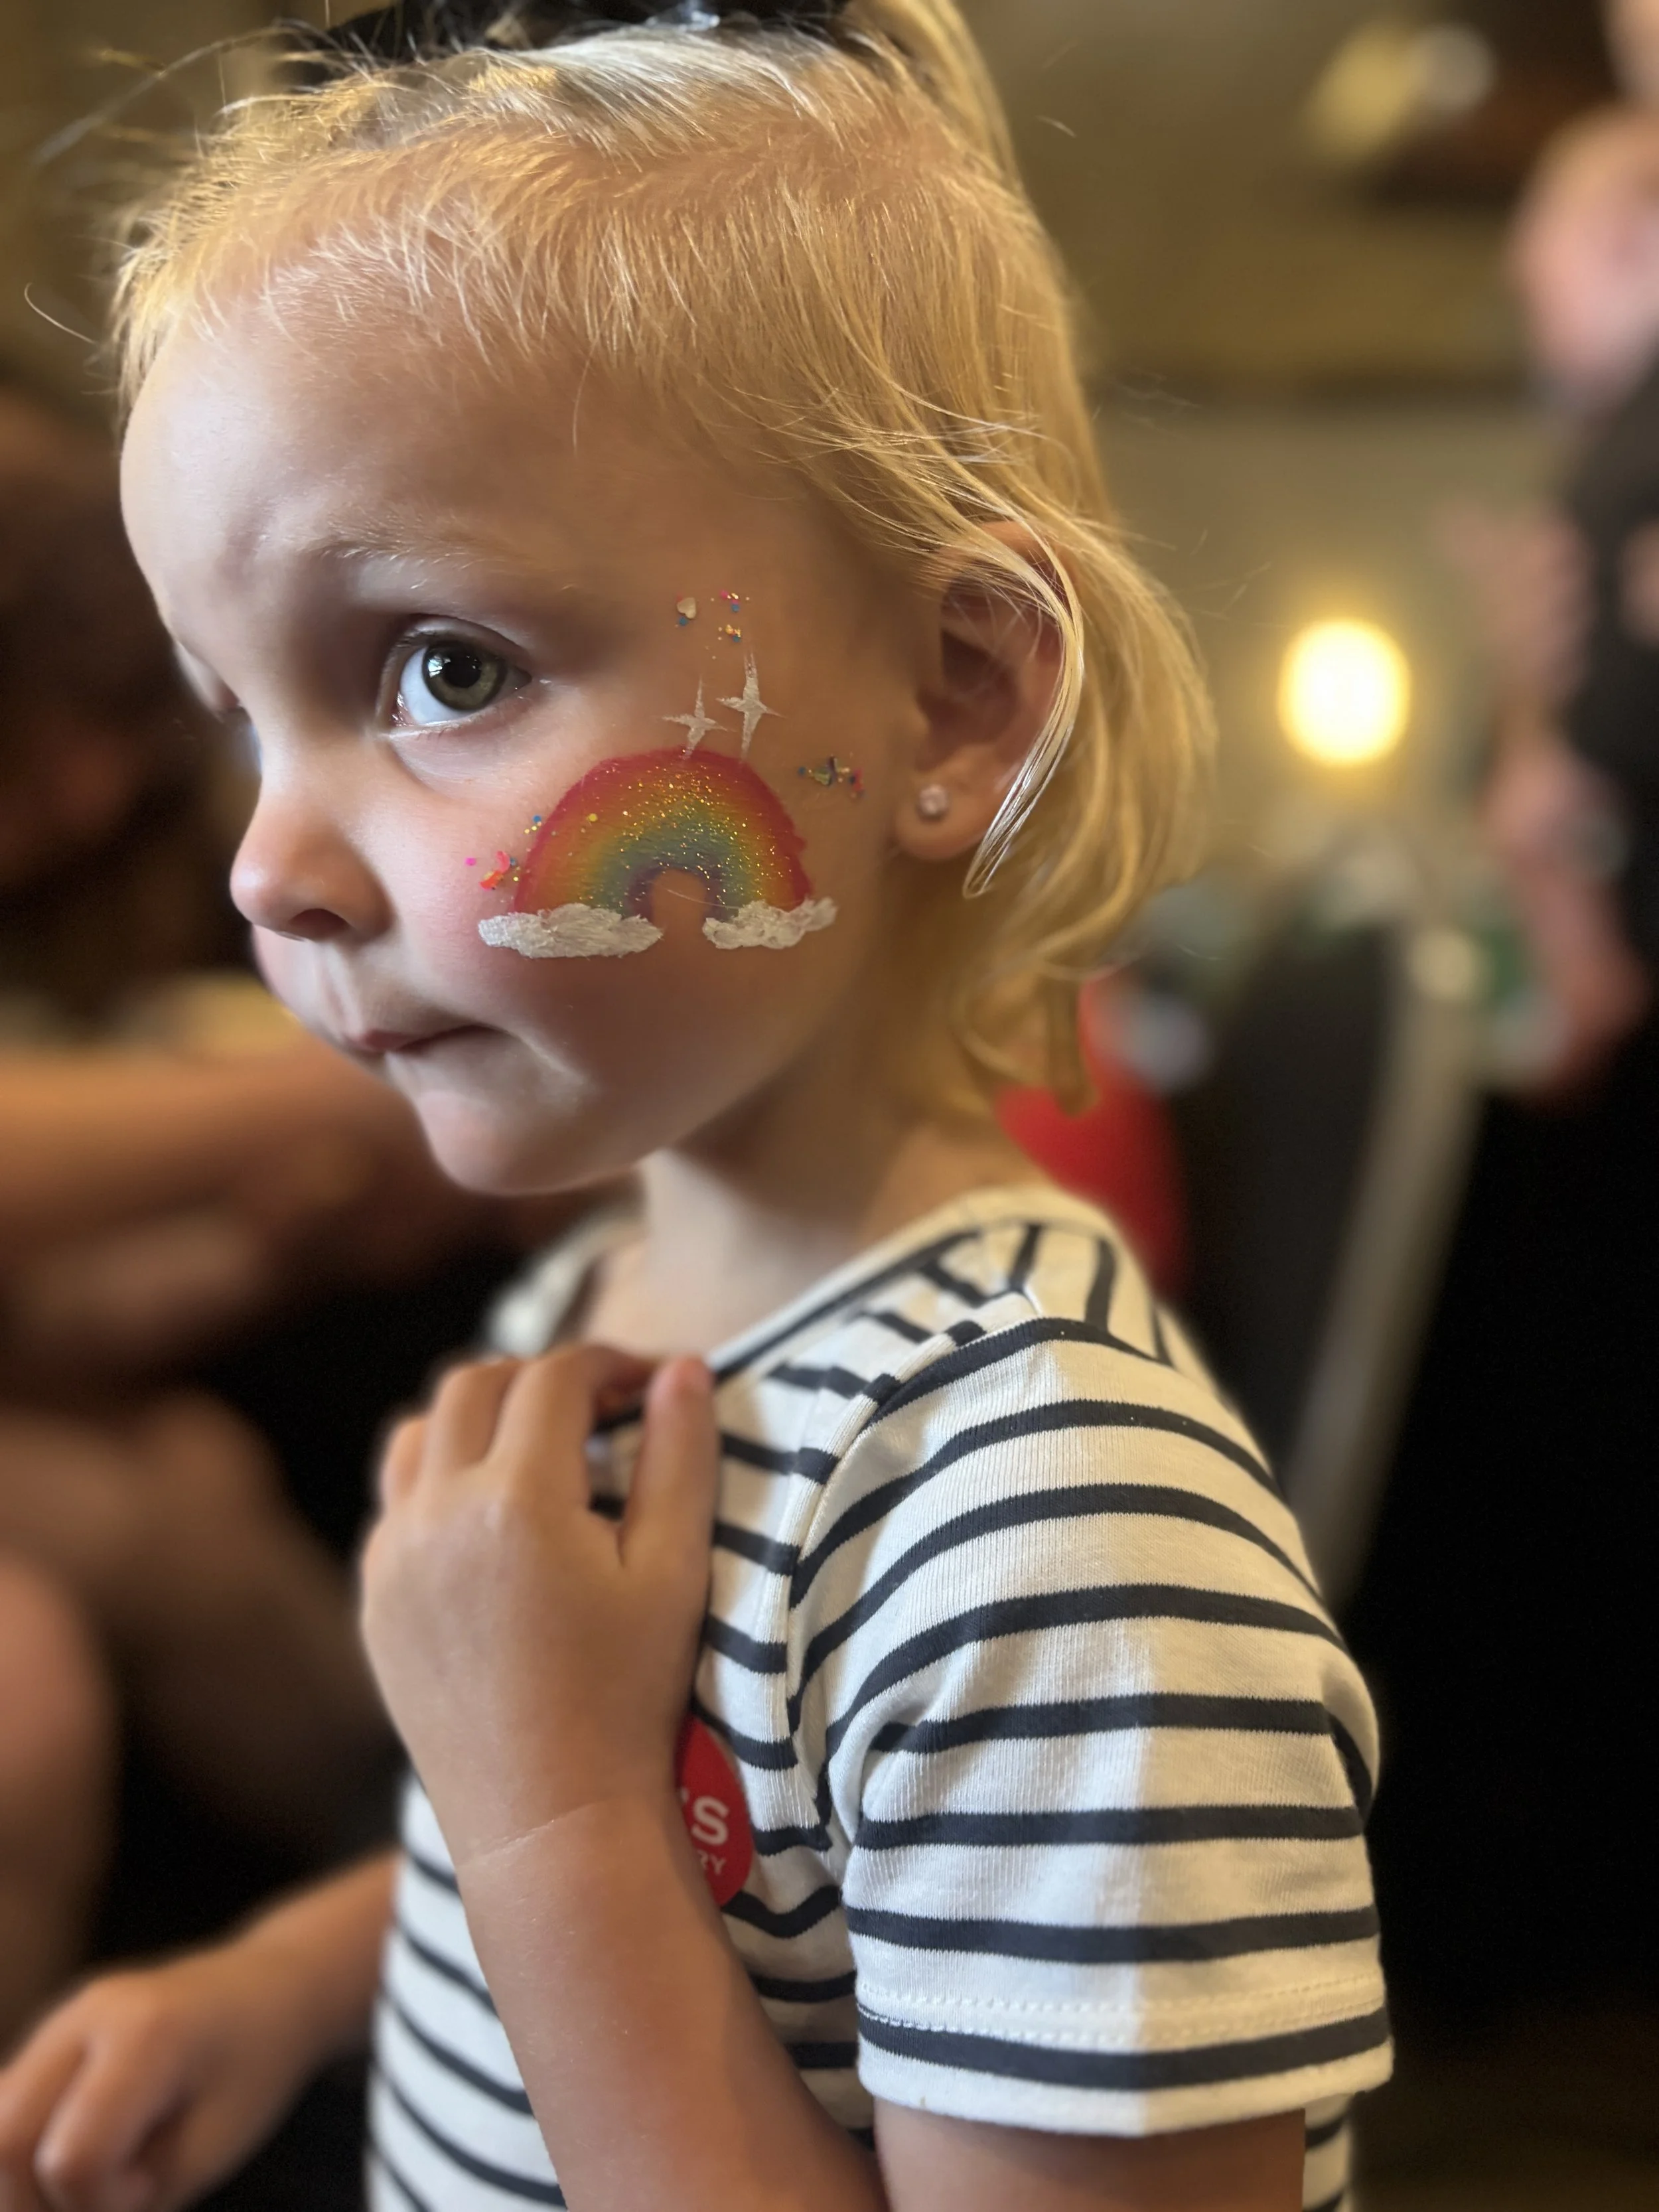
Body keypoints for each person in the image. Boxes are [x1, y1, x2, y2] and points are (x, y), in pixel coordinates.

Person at [0, 5, 1388, 2210]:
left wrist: (532, 1784)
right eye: (236, 716)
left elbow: (590, 1849)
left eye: (440, 667)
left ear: (949, 695)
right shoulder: (609, 1285)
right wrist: (284, 1973)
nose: (269, 861)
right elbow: (721, 1899)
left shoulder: (1050, 1540)